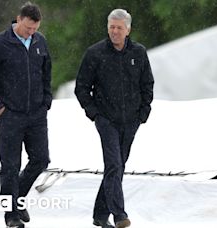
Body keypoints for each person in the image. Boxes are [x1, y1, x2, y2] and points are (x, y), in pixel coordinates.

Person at [75, 8, 154, 228]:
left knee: (118, 166)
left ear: (128, 30)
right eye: (111, 27)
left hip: (131, 120)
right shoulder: (95, 53)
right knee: (113, 165)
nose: (115, 32)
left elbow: (147, 84)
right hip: (106, 119)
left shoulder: (138, 53)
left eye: (119, 28)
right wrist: (94, 114)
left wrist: (143, 112)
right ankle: (119, 215)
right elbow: (81, 88)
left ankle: (100, 214)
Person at [0, 2, 52, 227]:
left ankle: (17, 199)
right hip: (10, 114)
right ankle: (11, 215)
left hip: (37, 114)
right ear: (18, 20)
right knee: (10, 166)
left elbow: (46, 72)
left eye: (35, 29)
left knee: (41, 159)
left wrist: (46, 100)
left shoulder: (40, 42)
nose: (32, 33)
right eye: (28, 28)